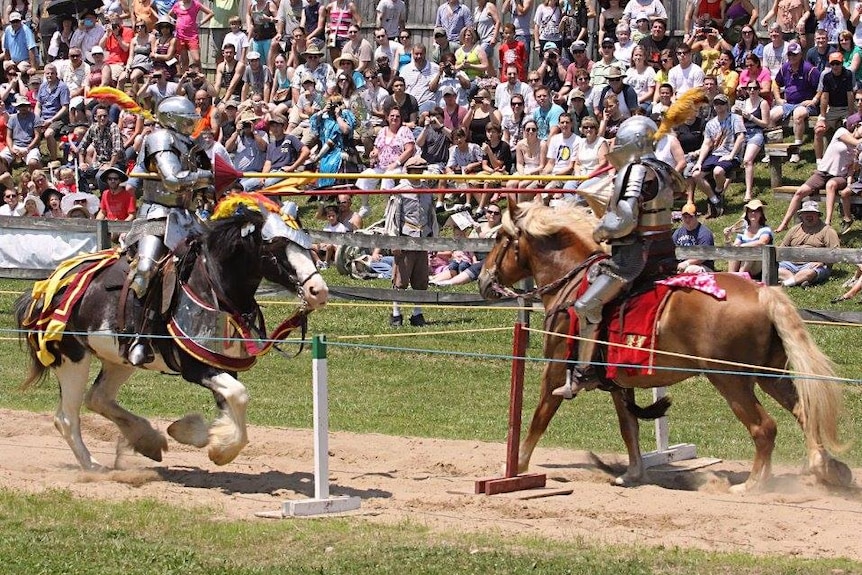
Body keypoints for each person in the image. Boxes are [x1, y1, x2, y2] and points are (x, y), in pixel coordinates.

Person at [553, 115, 681, 398]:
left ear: (631, 142)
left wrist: (598, 231)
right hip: (664, 253)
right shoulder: (662, 169)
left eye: (619, 141)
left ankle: (583, 373)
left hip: (634, 259)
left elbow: (624, 221)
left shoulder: (635, 170)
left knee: (586, 305)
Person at [127, 96, 214, 365]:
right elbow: (174, 180)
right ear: (173, 120)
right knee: (145, 271)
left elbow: (203, 180)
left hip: (186, 216)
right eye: (187, 121)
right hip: (157, 214)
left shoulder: (192, 144)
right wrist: (206, 178)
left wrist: (211, 184)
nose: (192, 125)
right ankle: (138, 338)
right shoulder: (160, 138)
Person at [775, 114, 862, 231]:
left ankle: (828, 221)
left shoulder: (857, 149)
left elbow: (852, 167)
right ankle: (785, 222)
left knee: (831, 185)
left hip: (840, 176)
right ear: (856, 126)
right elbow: (856, 143)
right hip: (822, 173)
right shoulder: (841, 132)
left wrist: (850, 178)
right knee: (800, 192)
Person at [385, 164, 437, 327]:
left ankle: (417, 313)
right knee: (400, 279)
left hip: (422, 240)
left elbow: (431, 216)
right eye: (415, 171)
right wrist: (395, 241)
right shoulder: (400, 191)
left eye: (420, 170)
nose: (418, 174)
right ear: (408, 172)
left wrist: (433, 240)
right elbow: (393, 218)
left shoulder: (427, 192)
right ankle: (396, 313)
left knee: (420, 280)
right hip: (406, 238)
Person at [691, 92, 744, 217]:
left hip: (731, 154)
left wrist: (731, 155)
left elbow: (741, 137)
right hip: (715, 154)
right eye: (716, 103)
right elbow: (706, 144)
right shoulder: (710, 124)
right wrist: (699, 162)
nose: (719, 106)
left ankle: (719, 190)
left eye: (722, 103)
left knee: (718, 172)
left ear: (727, 105)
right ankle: (714, 198)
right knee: (696, 174)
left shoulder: (735, 119)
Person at [778, 200, 841, 287]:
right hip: (791, 263)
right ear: (801, 215)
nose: (809, 216)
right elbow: (782, 248)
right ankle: (799, 280)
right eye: (806, 213)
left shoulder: (827, 231)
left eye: (812, 213)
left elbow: (836, 252)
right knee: (775, 269)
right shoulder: (794, 230)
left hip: (812, 265)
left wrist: (822, 262)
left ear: (818, 215)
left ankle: (786, 283)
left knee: (809, 273)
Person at [735, 80, 769, 201]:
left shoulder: (763, 103)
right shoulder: (743, 103)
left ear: (759, 90)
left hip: (756, 133)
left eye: (755, 88)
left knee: (748, 160)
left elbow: (765, 124)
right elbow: (738, 122)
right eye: (750, 88)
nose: (752, 91)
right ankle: (721, 189)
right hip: (743, 133)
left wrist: (750, 117)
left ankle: (748, 192)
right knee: (732, 158)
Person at [725, 198, 773, 277]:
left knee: (750, 253)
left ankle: (740, 278)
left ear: (761, 214)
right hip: (743, 260)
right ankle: (731, 277)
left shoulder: (765, 229)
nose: (753, 213)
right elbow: (735, 247)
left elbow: (762, 242)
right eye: (750, 211)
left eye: (757, 211)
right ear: (747, 213)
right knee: (734, 253)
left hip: (759, 263)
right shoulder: (743, 230)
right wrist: (727, 237)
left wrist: (743, 246)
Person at [672, 202, 715, 273]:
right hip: (681, 265)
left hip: (703, 266)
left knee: (690, 270)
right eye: (685, 217)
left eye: (690, 217)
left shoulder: (704, 233)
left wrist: (687, 263)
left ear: (696, 216)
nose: (687, 220)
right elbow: (672, 250)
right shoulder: (678, 233)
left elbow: (703, 256)